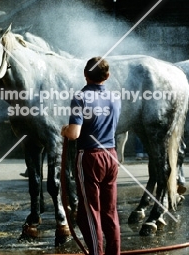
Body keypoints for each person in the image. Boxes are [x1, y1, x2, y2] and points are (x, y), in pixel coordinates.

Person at [61, 56, 121, 255]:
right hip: (111, 155)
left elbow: (75, 133)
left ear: (85, 74)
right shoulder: (115, 97)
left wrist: (65, 130)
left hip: (89, 157)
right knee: (110, 211)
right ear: (107, 76)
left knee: (90, 212)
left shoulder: (80, 97)